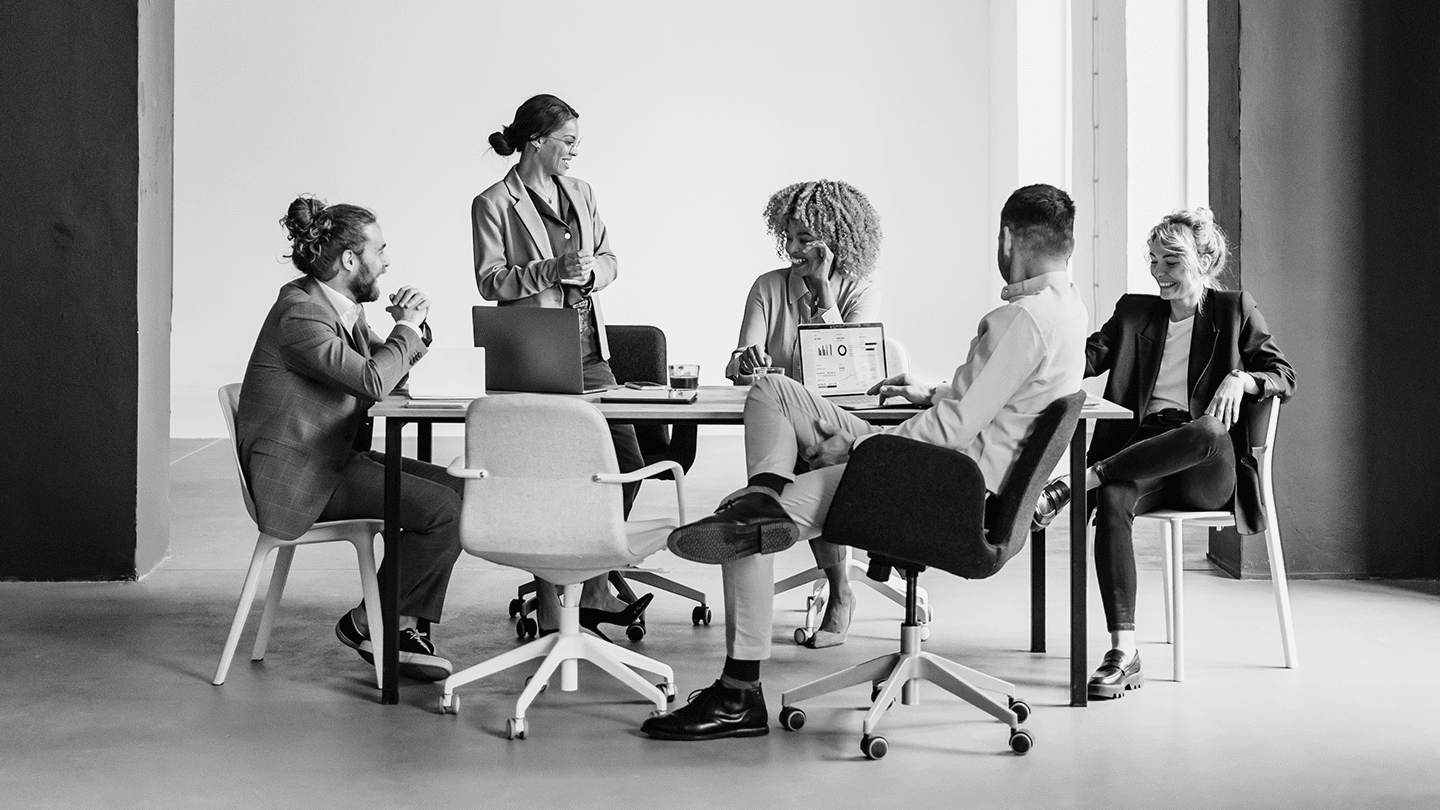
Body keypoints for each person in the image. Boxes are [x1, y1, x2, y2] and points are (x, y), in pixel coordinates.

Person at [642, 184, 1089, 741]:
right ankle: (767, 490)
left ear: (1007, 238)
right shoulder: (1066, 310)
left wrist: (857, 451)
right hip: (961, 478)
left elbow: (951, 433)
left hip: (940, 487)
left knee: (744, 532)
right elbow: (993, 403)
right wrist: (934, 391)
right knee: (774, 391)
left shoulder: (1018, 320)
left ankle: (738, 695)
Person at [1030, 208, 1295, 700]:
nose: (1158, 274)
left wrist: (1244, 377)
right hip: (1144, 453)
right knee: (1111, 500)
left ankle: (1077, 481)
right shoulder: (1135, 313)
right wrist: (1047, 328)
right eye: (1153, 261)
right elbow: (1084, 358)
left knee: (1210, 430)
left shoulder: (1234, 310)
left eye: (1171, 262)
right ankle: (1123, 652)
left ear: (1204, 259)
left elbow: (1284, 375)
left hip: (1205, 467)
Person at [237, 196, 462, 683]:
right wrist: (403, 329)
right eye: (380, 250)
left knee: (462, 491)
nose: (387, 261)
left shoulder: (340, 310)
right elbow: (375, 382)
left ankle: (394, 623)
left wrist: (413, 329)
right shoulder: (300, 314)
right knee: (446, 510)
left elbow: (389, 370)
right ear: (349, 260)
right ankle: (374, 624)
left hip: (331, 458)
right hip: (302, 477)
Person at [472, 93, 650, 633]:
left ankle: (590, 580)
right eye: (567, 142)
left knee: (624, 455)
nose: (575, 152)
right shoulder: (494, 202)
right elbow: (489, 279)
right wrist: (550, 271)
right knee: (551, 471)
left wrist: (592, 274)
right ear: (535, 142)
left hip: (590, 347)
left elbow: (611, 259)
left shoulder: (583, 191)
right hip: (534, 349)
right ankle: (559, 606)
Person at [725, 179, 883, 649]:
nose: (791, 248)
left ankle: (840, 590)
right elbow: (738, 361)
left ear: (835, 241)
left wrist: (824, 298)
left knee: (816, 453)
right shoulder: (767, 288)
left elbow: (851, 373)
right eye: (787, 236)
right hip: (781, 418)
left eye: (803, 239)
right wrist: (744, 362)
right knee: (791, 464)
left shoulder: (860, 291)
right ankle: (767, 526)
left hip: (836, 421)